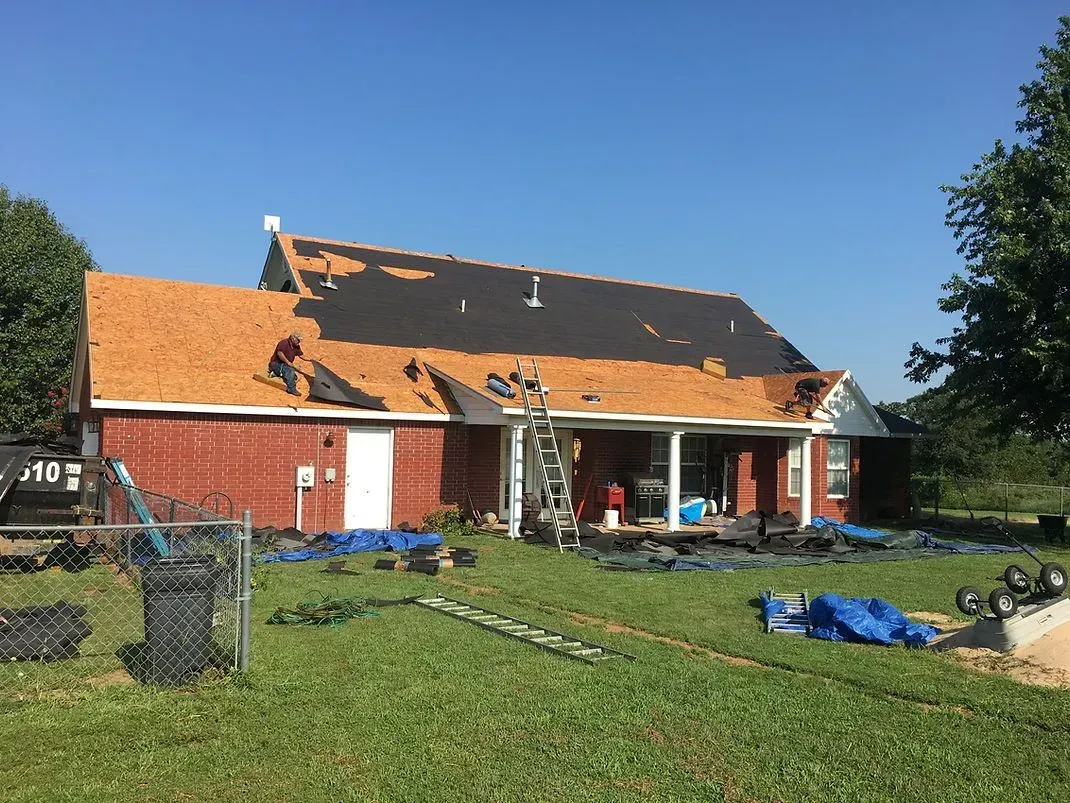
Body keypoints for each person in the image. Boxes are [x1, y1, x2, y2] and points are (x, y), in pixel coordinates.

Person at [268, 332, 310, 396]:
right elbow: (280, 353)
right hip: (276, 364)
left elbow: (301, 355)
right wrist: (288, 362)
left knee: (294, 377)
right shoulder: (283, 343)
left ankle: (275, 373)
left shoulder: (296, 346)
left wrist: (311, 360)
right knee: (290, 371)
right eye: (298, 340)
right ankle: (291, 389)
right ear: (292, 339)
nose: (299, 342)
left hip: (285, 365)